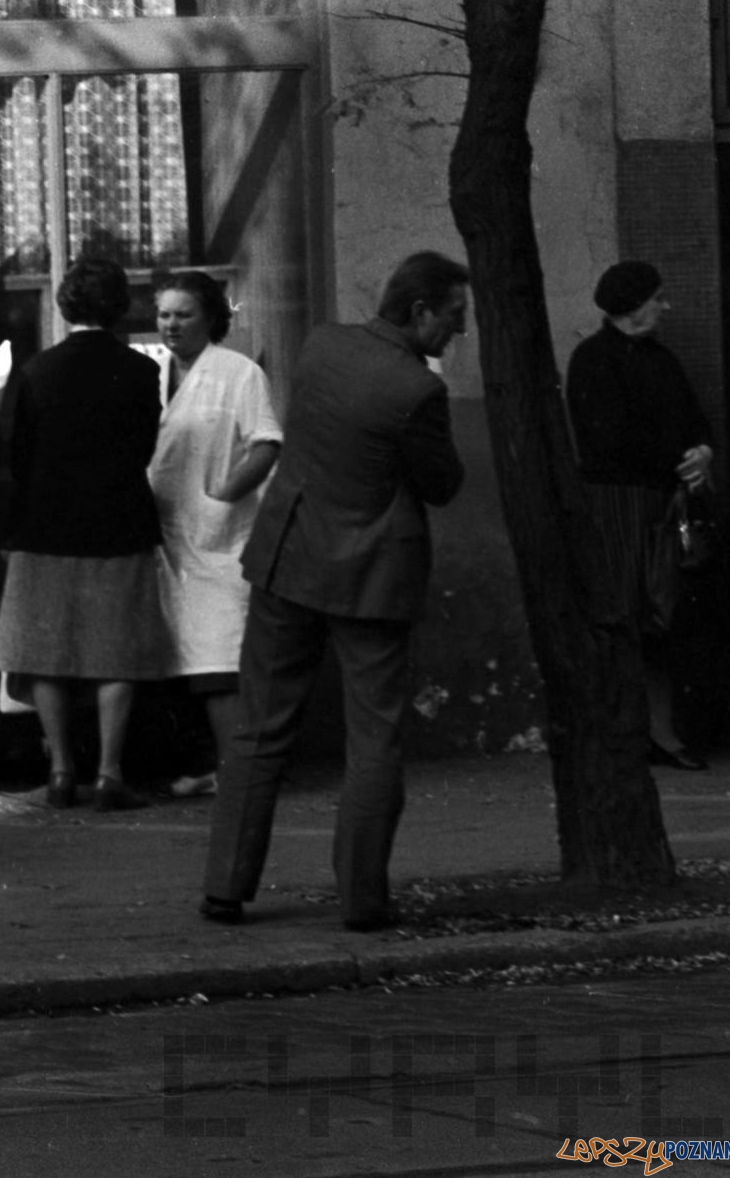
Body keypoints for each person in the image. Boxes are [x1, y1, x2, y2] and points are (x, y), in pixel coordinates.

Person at [200, 251, 469, 932]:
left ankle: (224, 887)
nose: (458, 333)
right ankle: (362, 901)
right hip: (371, 577)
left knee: (259, 727)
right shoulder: (418, 391)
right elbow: (441, 484)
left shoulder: (321, 345)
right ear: (420, 311)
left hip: (290, 556)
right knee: (374, 737)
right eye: (454, 319)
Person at [0, 258, 167, 812]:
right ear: (119, 307)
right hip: (119, 523)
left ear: (66, 305)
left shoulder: (36, 372)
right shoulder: (141, 372)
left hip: (45, 527)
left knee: (46, 652)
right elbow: (144, 450)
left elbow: (12, 457)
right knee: (116, 652)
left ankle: (62, 771)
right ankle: (111, 774)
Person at [565, 262, 714, 771]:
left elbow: (695, 420)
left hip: (660, 502)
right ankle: (623, 733)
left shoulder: (662, 361)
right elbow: (608, 441)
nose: (665, 306)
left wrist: (702, 453)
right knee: (622, 614)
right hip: (618, 504)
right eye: (657, 298)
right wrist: (680, 457)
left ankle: (659, 732)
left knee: (662, 614)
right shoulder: (593, 361)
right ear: (632, 304)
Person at [147, 270, 282, 799]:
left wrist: (223, 495)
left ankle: (240, 771)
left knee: (220, 661)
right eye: (163, 314)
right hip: (168, 536)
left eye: (183, 314)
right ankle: (218, 766)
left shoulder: (238, 373)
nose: (171, 325)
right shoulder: (156, 373)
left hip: (222, 538)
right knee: (188, 660)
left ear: (210, 317)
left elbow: (267, 443)